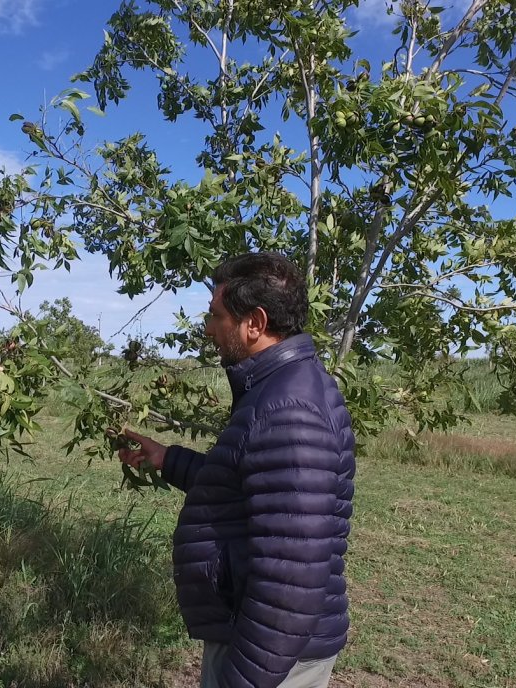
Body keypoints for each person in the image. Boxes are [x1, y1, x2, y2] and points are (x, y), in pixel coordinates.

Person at [119, 252, 356, 688]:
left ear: (255, 323)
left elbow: (290, 575)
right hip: (264, 640)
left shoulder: (290, 409)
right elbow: (249, 485)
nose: (209, 328)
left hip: (272, 654)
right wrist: (167, 459)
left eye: (216, 315)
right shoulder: (279, 389)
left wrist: (243, 680)